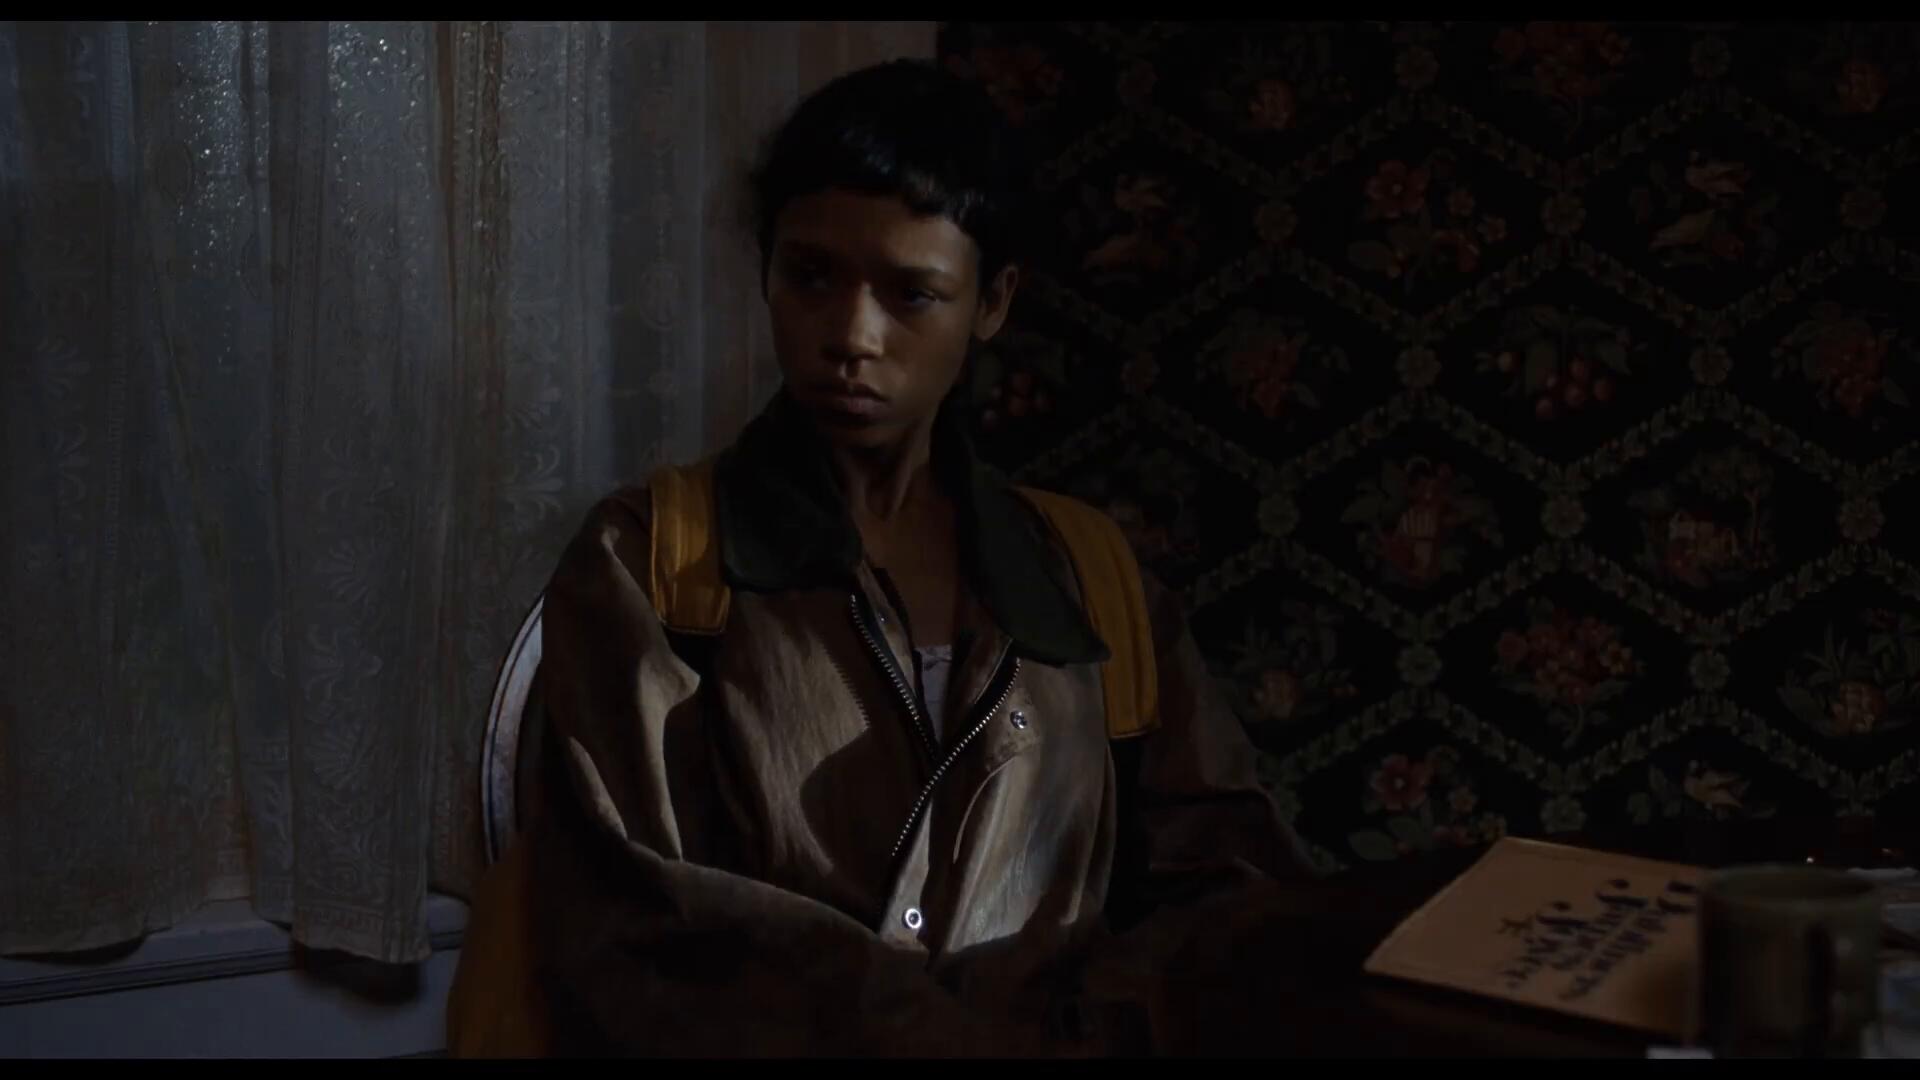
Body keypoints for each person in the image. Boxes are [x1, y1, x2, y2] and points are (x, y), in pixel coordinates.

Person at [447, 57, 1319, 1058]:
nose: (852, 336)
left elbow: (1232, 899)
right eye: (811, 276)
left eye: (912, 294)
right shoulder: (652, 561)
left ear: (992, 302)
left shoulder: (1089, 579)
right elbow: (630, 913)